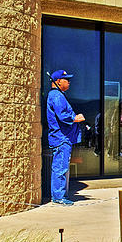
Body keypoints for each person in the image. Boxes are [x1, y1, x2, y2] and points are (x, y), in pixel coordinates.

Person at [46, 70, 85, 205]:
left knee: (61, 166)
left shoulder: (57, 95)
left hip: (63, 138)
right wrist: (76, 118)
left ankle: (59, 195)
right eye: (66, 79)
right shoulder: (56, 96)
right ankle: (58, 197)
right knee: (60, 167)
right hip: (61, 138)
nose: (68, 82)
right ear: (58, 81)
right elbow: (62, 115)